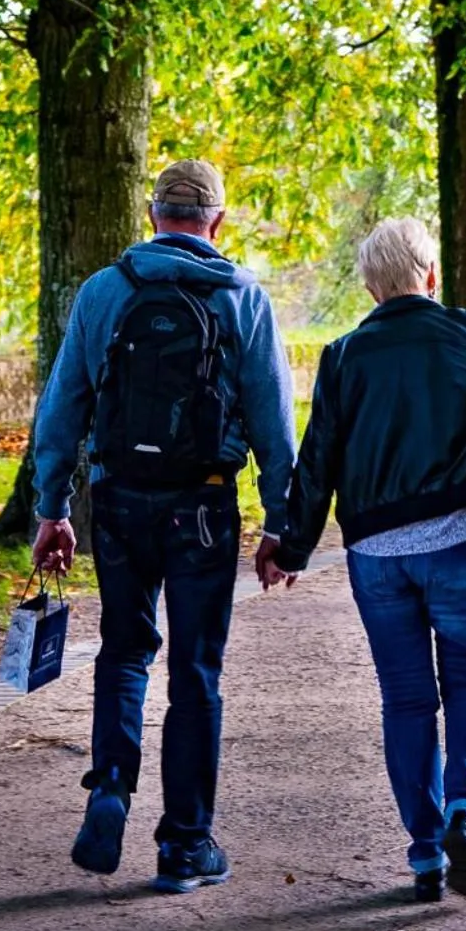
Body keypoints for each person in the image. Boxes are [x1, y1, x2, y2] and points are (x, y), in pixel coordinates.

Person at [257, 218, 466, 905]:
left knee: (405, 701)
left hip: (376, 554)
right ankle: (465, 811)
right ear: (431, 274)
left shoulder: (342, 357)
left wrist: (292, 545)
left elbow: (318, 462)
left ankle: (426, 856)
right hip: (462, 539)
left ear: (371, 287)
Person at [29, 159, 296, 893]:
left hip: (118, 502)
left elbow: (61, 412)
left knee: (123, 652)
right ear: (217, 223)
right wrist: (282, 525)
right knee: (195, 673)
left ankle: (111, 784)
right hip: (203, 505)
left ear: (152, 217)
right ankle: (184, 846)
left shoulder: (105, 291)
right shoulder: (242, 297)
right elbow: (275, 425)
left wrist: (51, 509)